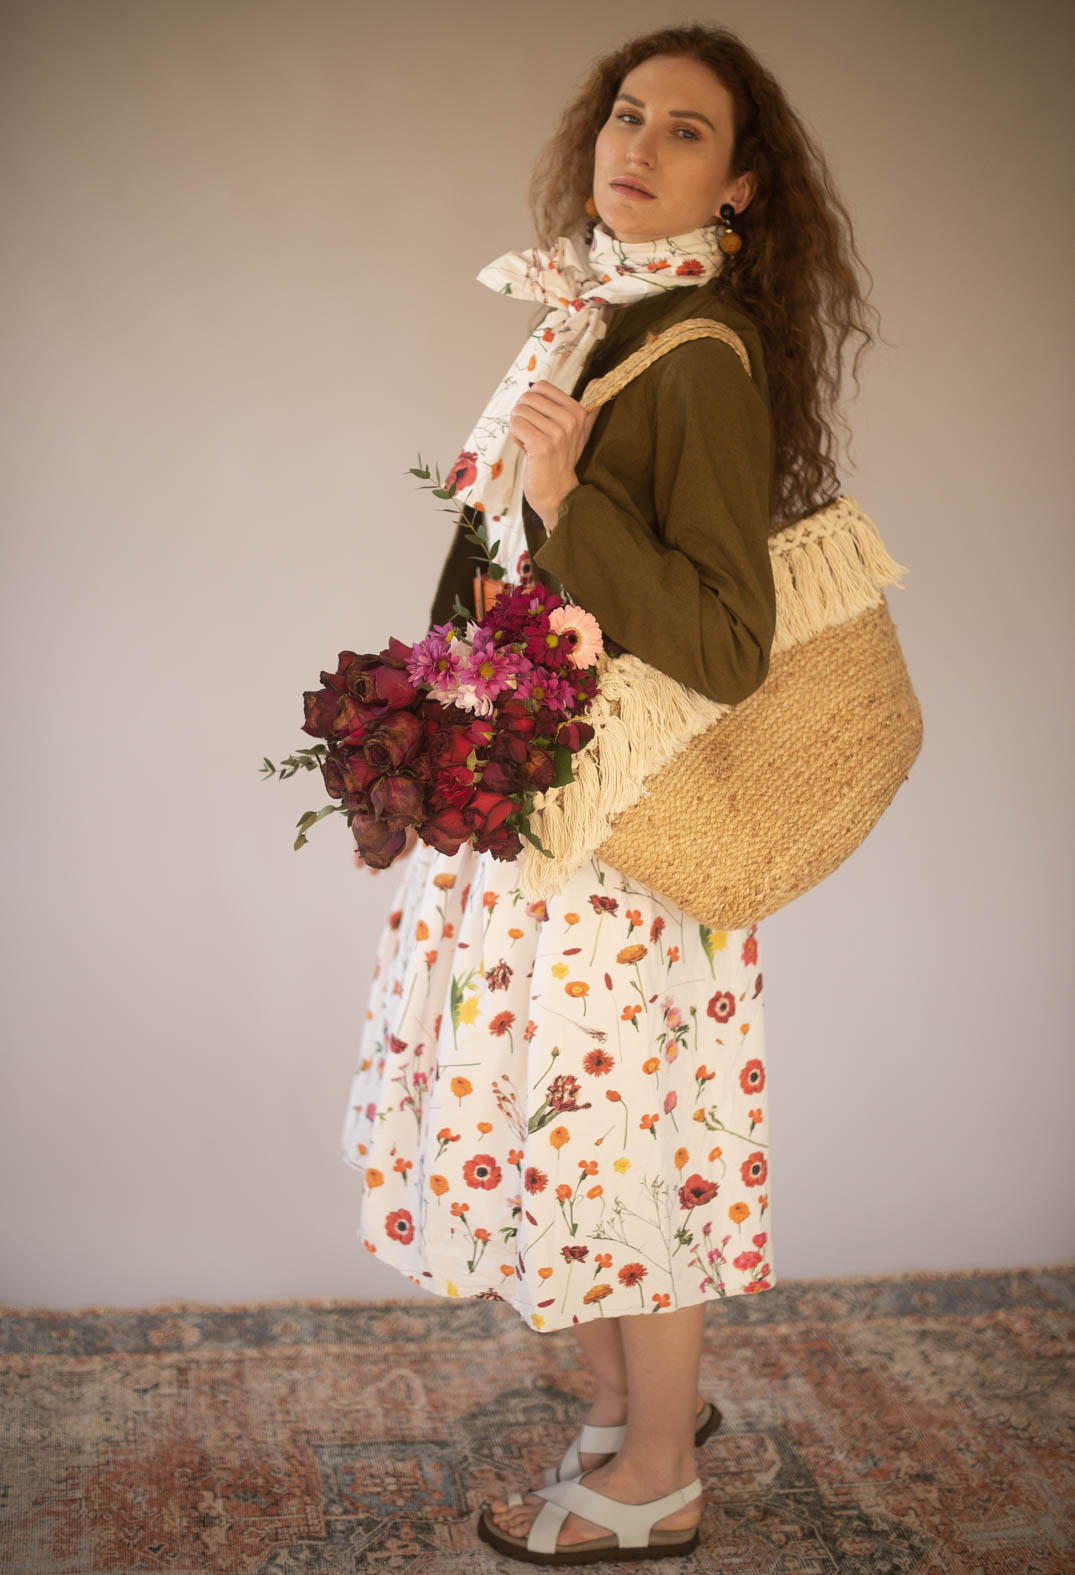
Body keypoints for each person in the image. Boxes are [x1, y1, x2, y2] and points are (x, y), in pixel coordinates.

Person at [341, 21, 878, 1565]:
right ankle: (623, 1416)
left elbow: (721, 640)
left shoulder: (702, 353)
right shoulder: (595, 321)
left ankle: (656, 1472)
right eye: (626, 115)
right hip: (544, 825)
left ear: (745, 186)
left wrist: (569, 501)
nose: (636, 146)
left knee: (619, 1149)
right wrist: (437, 720)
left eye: (687, 131)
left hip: (626, 848)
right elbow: (504, 567)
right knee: (553, 1137)